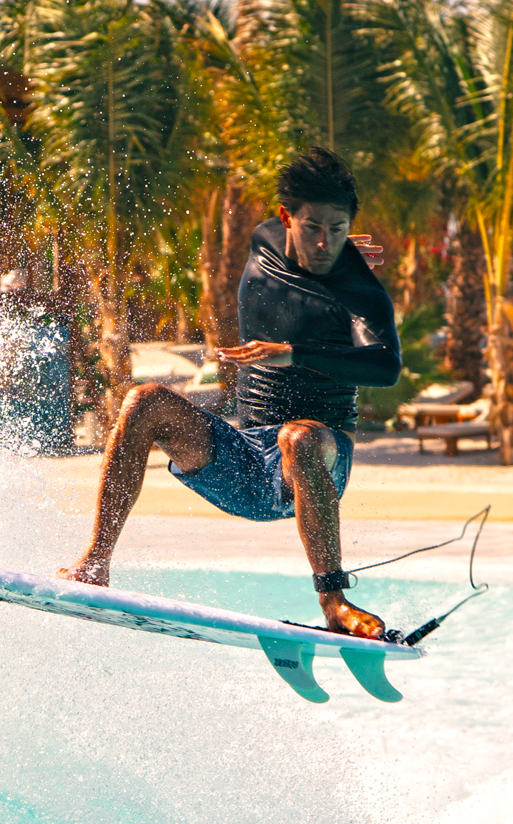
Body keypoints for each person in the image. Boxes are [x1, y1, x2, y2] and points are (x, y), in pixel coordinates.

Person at [59, 147, 398, 638]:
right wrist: (336, 236)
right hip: (242, 459)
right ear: (286, 218)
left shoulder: (360, 292)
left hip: (315, 462)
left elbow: (386, 366)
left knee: (299, 439)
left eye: (338, 230)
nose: (325, 243)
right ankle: (95, 561)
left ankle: (334, 603)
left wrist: (294, 352)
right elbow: (288, 221)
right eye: (313, 228)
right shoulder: (263, 239)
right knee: (144, 401)